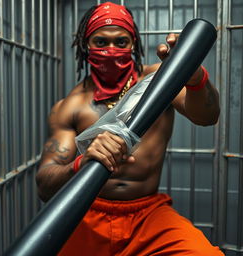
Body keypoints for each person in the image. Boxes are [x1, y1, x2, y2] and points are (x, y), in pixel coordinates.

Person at [36, 2, 223, 255]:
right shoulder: (71, 106)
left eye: (120, 42)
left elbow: (207, 116)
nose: (111, 50)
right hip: (85, 212)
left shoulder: (160, 80)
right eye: (101, 42)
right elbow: (45, 186)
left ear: (133, 44)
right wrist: (82, 162)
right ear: (86, 46)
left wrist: (194, 78)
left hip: (147, 215)